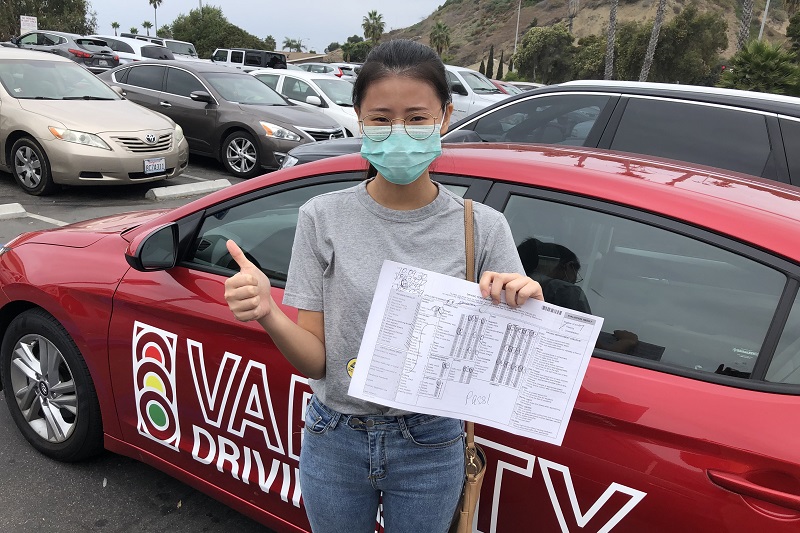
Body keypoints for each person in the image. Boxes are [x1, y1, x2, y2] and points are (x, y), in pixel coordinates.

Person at [223, 39, 543, 533]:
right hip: (335, 437)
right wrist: (267, 310)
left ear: (445, 117)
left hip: (431, 443)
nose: (400, 132)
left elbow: (511, 363)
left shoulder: (485, 227)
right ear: (358, 119)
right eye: (381, 117)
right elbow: (316, 361)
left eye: (417, 117)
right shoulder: (321, 218)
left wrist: (527, 304)